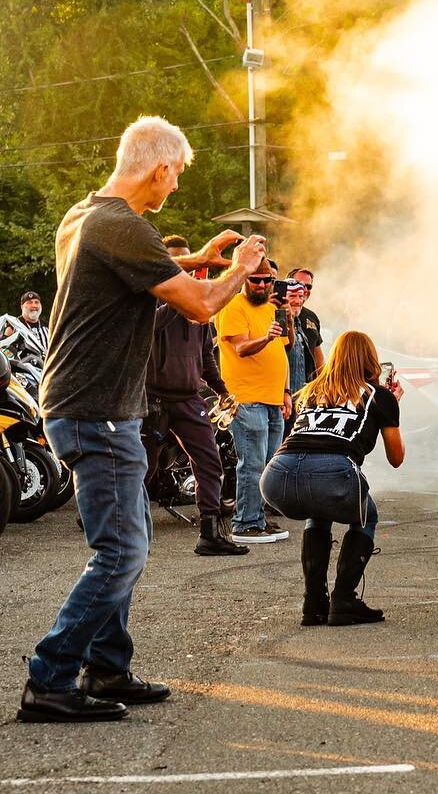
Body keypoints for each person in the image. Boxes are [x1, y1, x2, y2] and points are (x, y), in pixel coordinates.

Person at [20, 116, 266, 723]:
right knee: (121, 550)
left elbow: (158, 275)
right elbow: (202, 305)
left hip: (92, 406)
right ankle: (49, 679)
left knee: (130, 541)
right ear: (159, 167)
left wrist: (204, 257)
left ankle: (107, 667)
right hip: (97, 410)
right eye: (177, 174)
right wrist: (242, 267)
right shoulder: (120, 226)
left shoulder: (84, 215)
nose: (176, 186)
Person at [260, 331, 401, 626]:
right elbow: (396, 458)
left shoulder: (310, 391)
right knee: (366, 515)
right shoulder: (379, 396)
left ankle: (313, 603)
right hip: (331, 472)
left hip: (277, 475)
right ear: (371, 361)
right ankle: (344, 599)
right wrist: (392, 406)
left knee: (318, 512)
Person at [144, 234, 246, 558]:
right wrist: (179, 298)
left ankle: (211, 532)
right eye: (180, 264)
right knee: (142, 467)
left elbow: (206, 356)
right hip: (151, 398)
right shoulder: (149, 297)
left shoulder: (197, 305)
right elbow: (149, 328)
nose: (189, 271)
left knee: (209, 460)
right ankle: (119, 528)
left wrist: (223, 390)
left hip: (188, 398)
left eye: (190, 262)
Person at [215, 258, 291, 543]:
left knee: (270, 463)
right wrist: (266, 337)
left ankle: (257, 517)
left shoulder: (273, 309)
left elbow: (282, 353)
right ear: (244, 279)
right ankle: (244, 523)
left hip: (272, 398)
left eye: (267, 280)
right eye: (255, 279)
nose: (261, 285)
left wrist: (285, 392)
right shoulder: (234, 307)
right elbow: (242, 348)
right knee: (252, 463)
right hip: (245, 398)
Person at [0, 290, 50, 392]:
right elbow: (4, 347)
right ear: (22, 306)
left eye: (36, 302)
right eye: (29, 302)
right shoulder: (13, 325)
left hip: (46, 372)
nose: (34, 305)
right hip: (23, 375)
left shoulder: (47, 327)